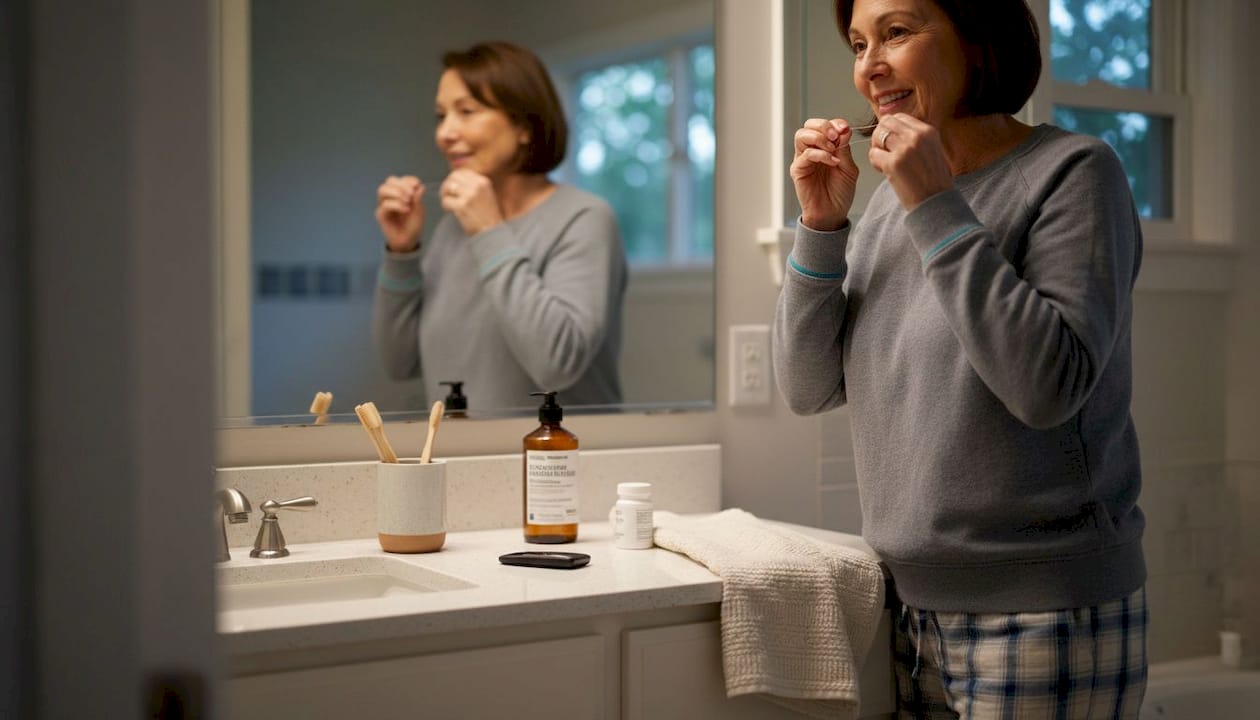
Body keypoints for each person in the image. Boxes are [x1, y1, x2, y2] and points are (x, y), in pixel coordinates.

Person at [772, 1, 1147, 717]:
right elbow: (806, 387)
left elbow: (1046, 387)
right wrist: (821, 227)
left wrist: (934, 202)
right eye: (858, 44)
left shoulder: (1073, 172)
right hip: (908, 610)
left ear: (978, 40)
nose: (870, 66)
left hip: (1044, 612)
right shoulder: (890, 210)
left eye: (896, 33)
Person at [373, 41, 626, 411]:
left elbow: (557, 364)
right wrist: (402, 252)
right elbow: (400, 363)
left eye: (466, 111)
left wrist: (488, 231)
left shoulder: (584, 218)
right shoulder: (451, 230)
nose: (445, 133)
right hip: (462, 447)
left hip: (560, 449)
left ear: (524, 125)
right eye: (441, 116)